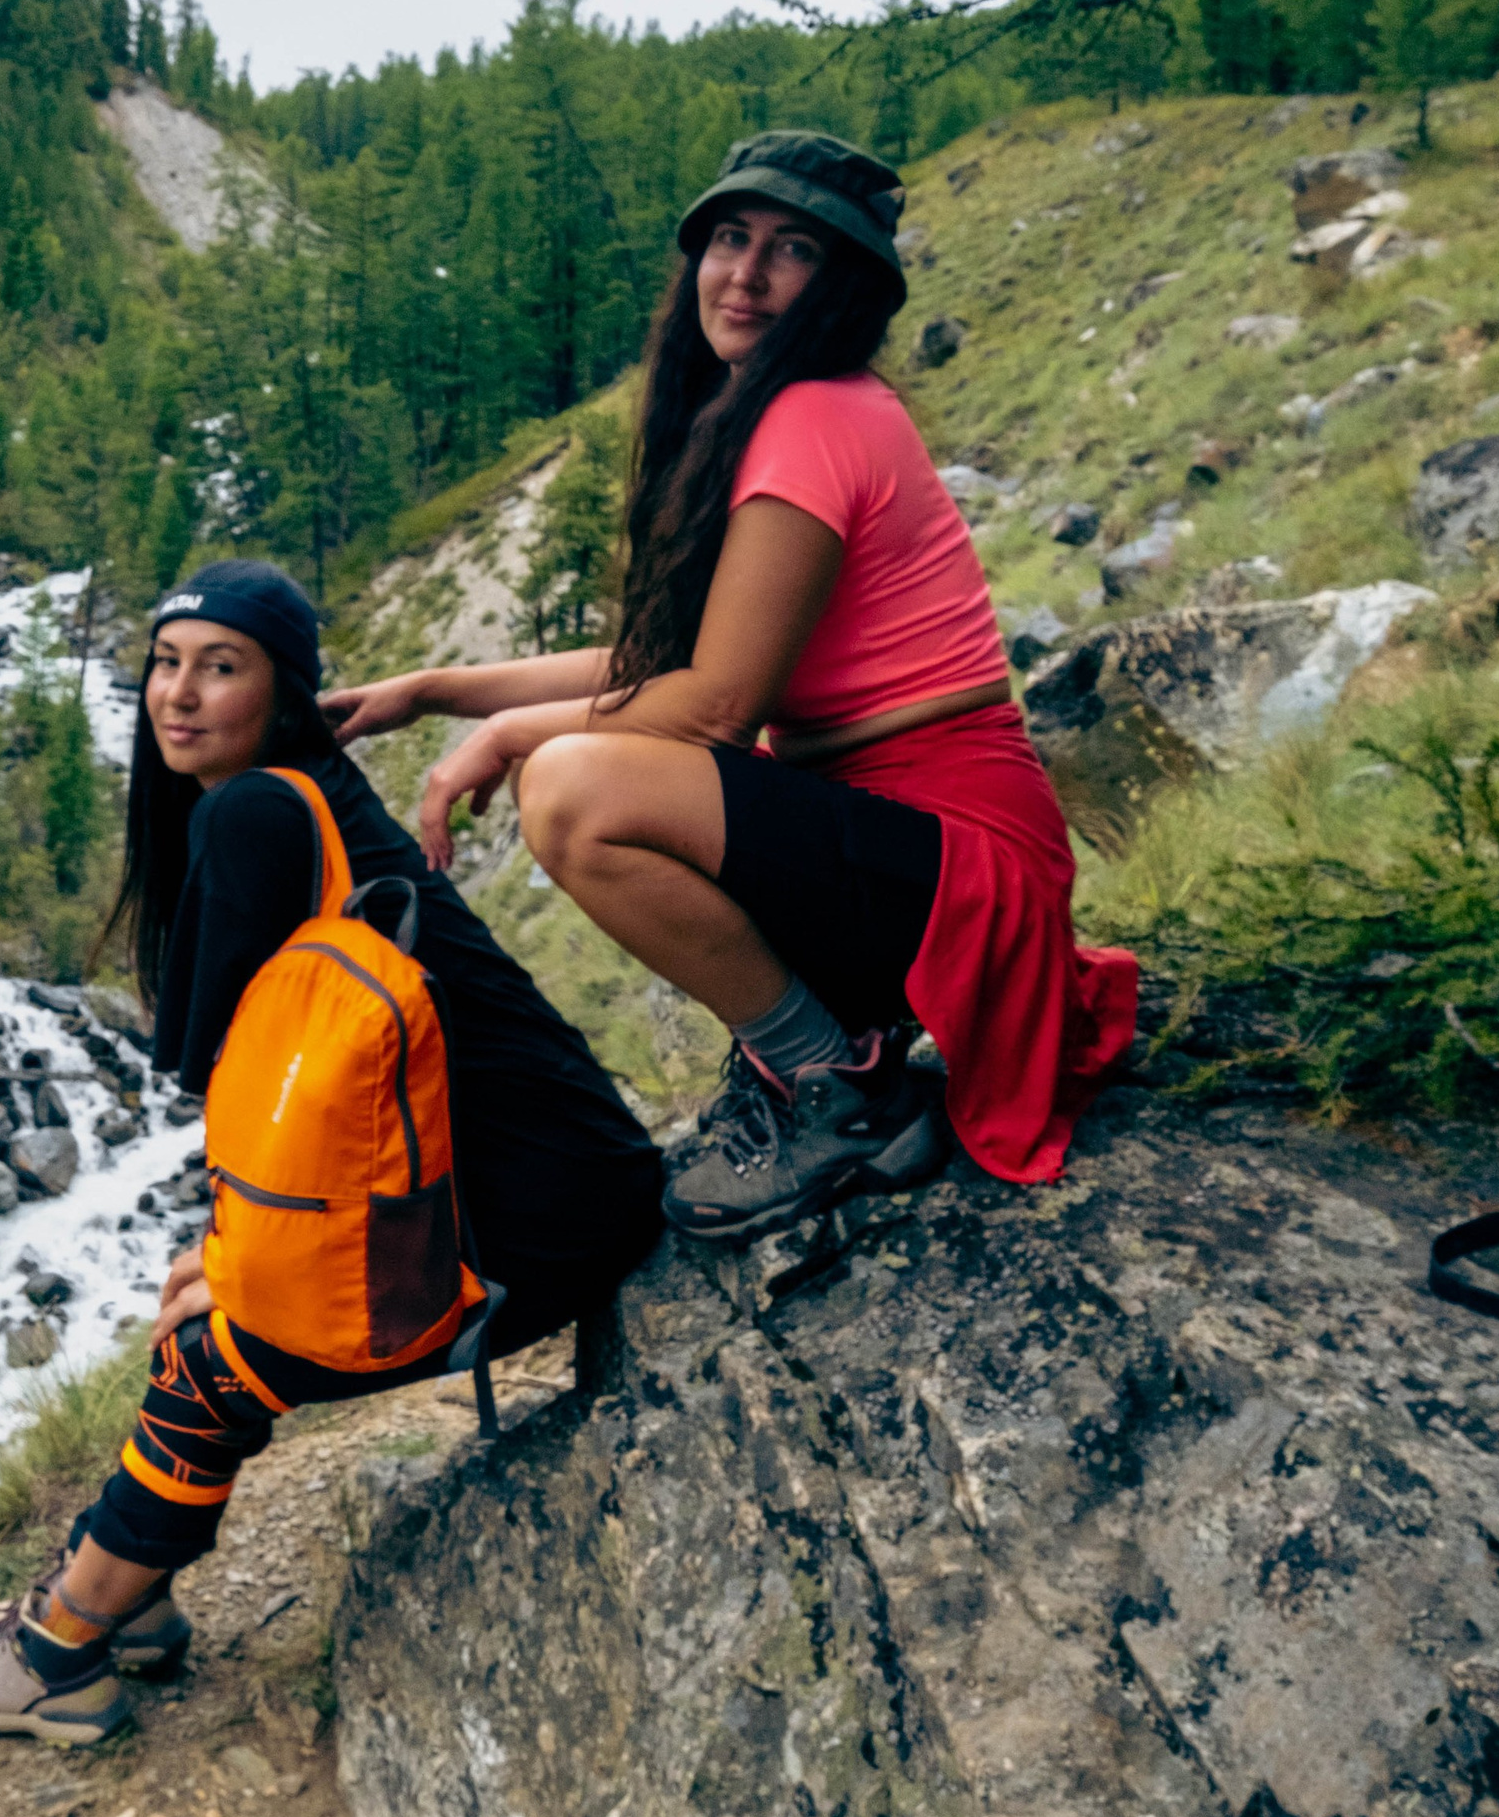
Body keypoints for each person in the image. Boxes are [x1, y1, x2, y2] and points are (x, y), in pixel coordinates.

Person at [0, 559, 665, 1746]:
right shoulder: (306, 794)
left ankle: (60, 1648)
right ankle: (131, 1598)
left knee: (217, 1349)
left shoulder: (255, 813)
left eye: (222, 666)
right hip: (540, 1180)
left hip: (531, 1221)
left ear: (285, 692)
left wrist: (237, 1257)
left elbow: (233, 1076)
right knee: (221, 1306)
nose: (180, 694)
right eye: (166, 662)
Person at [325, 129, 1137, 1243]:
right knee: (590, 764)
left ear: (840, 283)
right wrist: (433, 689)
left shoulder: (814, 417)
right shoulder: (784, 411)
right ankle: (826, 1056)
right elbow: (666, 662)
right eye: (728, 237)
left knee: (572, 790)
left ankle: (837, 1084)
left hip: (959, 857)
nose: (744, 274)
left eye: (789, 248)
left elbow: (713, 706)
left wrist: (514, 737)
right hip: (903, 842)